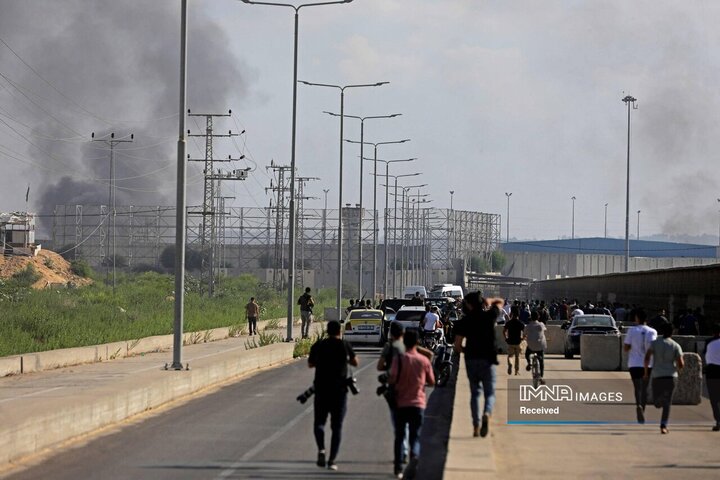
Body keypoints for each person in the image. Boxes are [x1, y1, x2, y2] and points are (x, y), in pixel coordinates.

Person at [308, 320, 358, 470]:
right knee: (337, 427)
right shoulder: (344, 345)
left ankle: (321, 449)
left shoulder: (319, 345)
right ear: (339, 332)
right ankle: (332, 461)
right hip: (339, 392)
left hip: (322, 390)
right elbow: (355, 362)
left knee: (319, 423)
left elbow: (311, 364)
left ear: (327, 331)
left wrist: (322, 363)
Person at [453, 291, 502, 438]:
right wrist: (489, 301)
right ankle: (487, 412)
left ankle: (476, 425)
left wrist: (467, 352)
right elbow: (500, 301)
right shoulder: (490, 316)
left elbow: (457, 345)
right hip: (488, 359)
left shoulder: (464, 321)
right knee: (490, 393)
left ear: (468, 304)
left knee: (475, 393)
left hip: (471, 359)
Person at [389, 329, 435, 478]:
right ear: (417, 342)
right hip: (418, 404)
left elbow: (392, 378)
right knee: (415, 436)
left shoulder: (399, 359)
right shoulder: (423, 360)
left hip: (401, 404)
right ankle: (414, 457)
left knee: (400, 436)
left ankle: (398, 468)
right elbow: (432, 381)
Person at [644, 322, 684, 434]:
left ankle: (660, 405)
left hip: (657, 375)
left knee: (657, 401)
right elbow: (681, 363)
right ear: (673, 332)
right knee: (668, 403)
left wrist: (646, 372)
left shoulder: (655, 343)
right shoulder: (676, 345)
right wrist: (677, 370)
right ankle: (663, 426)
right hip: (671, 376)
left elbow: (647, 357)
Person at [623, 308, 657, 423]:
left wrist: (633, 346)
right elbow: (653, 348)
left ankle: (638, 405)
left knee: (637, 387)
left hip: (634, 364)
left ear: (637, 318)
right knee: (645, 388)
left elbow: (626, 348)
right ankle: (643, 408)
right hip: (647, 364)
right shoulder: (652, 332)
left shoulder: (632, 331)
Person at [524, 311, 547, 382]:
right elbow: (544, 331)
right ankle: (541, 376)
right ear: (538, 317)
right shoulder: (541, 325)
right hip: (540, 346)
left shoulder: (528, 326)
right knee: (541, 361)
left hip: (531, 346)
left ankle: (529, 363)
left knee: (527, 354)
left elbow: (524, 334)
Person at [705, 323, 720, 431]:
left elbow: (706, 354)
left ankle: (718, 420)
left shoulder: (708, 342)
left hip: (711, 371)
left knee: (714, 399)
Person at [503, 309, 525, 375]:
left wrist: (506, 338)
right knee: (517, 357)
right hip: (518, 342)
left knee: (510, 356)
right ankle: (516, 370)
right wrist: (522, 338)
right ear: (518, 315)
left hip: (510, 342)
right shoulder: (521, 323)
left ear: (512, 314)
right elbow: (525, 333)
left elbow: (504, 331)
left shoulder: (508, 323)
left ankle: (510, 364)